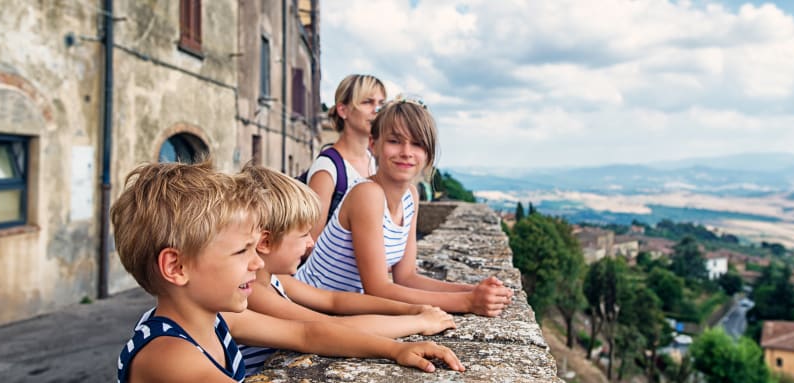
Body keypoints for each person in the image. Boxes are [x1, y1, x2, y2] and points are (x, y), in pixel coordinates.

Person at [111, 162, 464, 382]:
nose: (257, 262)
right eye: (241, 251)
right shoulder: (169, 356)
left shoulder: (215, 319)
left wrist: (395, 350)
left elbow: (307, 335)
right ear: (177, 267)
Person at [295, 96, 515, 317]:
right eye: (395, 141)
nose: (406, 152)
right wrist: (467, 302)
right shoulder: (367, 194)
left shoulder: (410, 195)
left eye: (417, 143)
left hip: (336, 314)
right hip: (304, 310)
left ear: (428, 153)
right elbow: (378, 289)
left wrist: (474, 290)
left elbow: (407, 277)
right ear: (374, 145)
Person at [240, 164, 456, 374]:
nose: (311, 243)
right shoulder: (252, 290)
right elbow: (325, 328)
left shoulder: (273, 278)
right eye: (303, 235)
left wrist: (410, 308)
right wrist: (417, 322)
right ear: (266, 243)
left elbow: (334, 300)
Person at [306, 74, 385, 240]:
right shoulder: (327, 169)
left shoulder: (373, 161)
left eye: (381, 104)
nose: (376, 111)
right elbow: (310, 242)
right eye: (367, 102)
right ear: (343, 110)